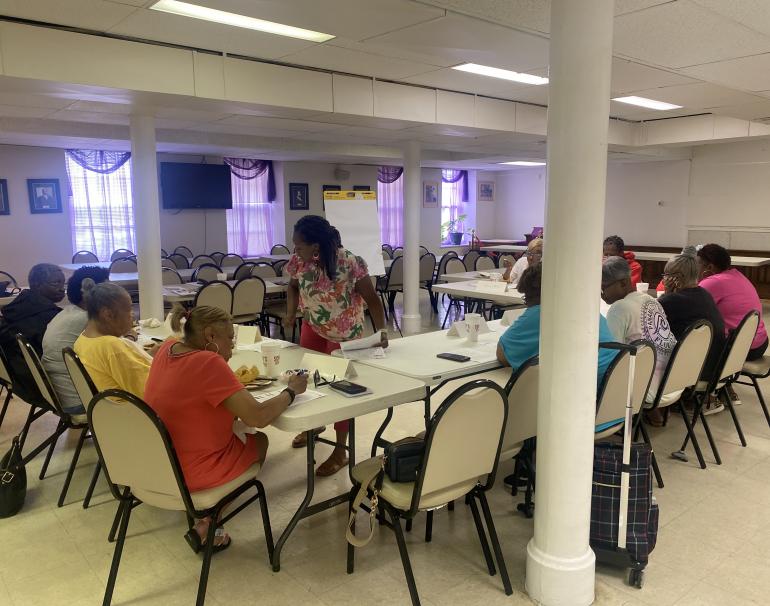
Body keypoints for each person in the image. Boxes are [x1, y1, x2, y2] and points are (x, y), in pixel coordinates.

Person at [144, 304, 308, 553]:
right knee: (260, 441)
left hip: (160, 462)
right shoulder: (208, 362)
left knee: (237, 431)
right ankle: (211, 521)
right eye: (230, 339)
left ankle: (206, 518)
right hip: (190, 473)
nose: (232, 346)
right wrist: (291, 391)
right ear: (210, 336)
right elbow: (258, 417)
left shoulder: (168, 347)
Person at [284, 215, 388, 476]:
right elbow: (292, 287)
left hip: (343, 335)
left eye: (299, 246)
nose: (295, 251)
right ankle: (314, 426)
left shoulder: (350, 262)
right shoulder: (299, 261)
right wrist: (290, 312)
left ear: (316, 246)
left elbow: (372, 300)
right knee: (307, 380)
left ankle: (341, 450)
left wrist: (382, 332)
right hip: (313, 327)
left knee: (340, 391)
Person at [496, 263, 618, 386]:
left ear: (535, 294)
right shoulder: (583, 305)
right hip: (616, 377)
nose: (527, 302)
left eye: (527, 296)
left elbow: (502, 355)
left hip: (587, 388)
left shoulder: (541, 311)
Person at [656, 252, 726, 419]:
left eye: (666, 275)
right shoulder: (704, 294)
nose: (664, 279)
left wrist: (667, 293)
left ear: (677, 278)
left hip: (692, 372)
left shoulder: (671, 301)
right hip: (715, 366)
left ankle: (651, 410)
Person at [696, 243, 768, 405]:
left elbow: (690, 306)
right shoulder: (738, 276)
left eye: (698, 264)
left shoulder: (713, 282)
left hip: (740, 348)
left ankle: (707, 394)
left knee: (693, 342)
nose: (696, 268)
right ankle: (725, 386)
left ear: (709, 267)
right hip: (759, 343)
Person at [601, 256, 677, 402]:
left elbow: (610, 358)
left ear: (623, 282)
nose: (602, 294)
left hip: (645, 388)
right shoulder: (649, 299)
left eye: (604, 287)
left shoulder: (619, 308)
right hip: (671, 381)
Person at [41, 266, 110, 413]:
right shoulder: (86, 319)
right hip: (80, 401)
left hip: (62, 395)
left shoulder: (67, 313)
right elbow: (114, 352)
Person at [0, 263, 65, 402]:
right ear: (36, 285)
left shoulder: (17, 305)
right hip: (44, 387)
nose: (62, 289)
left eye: (63, 283)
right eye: (56, 283)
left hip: (21, 380)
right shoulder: (49, 318)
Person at [73, 281, 151, 397]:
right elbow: (147, 391)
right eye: (129, 310)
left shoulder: (83, 339)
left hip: (111, 407)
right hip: (135, 410)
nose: (133, 315)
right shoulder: (112, 347)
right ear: (108, 314)